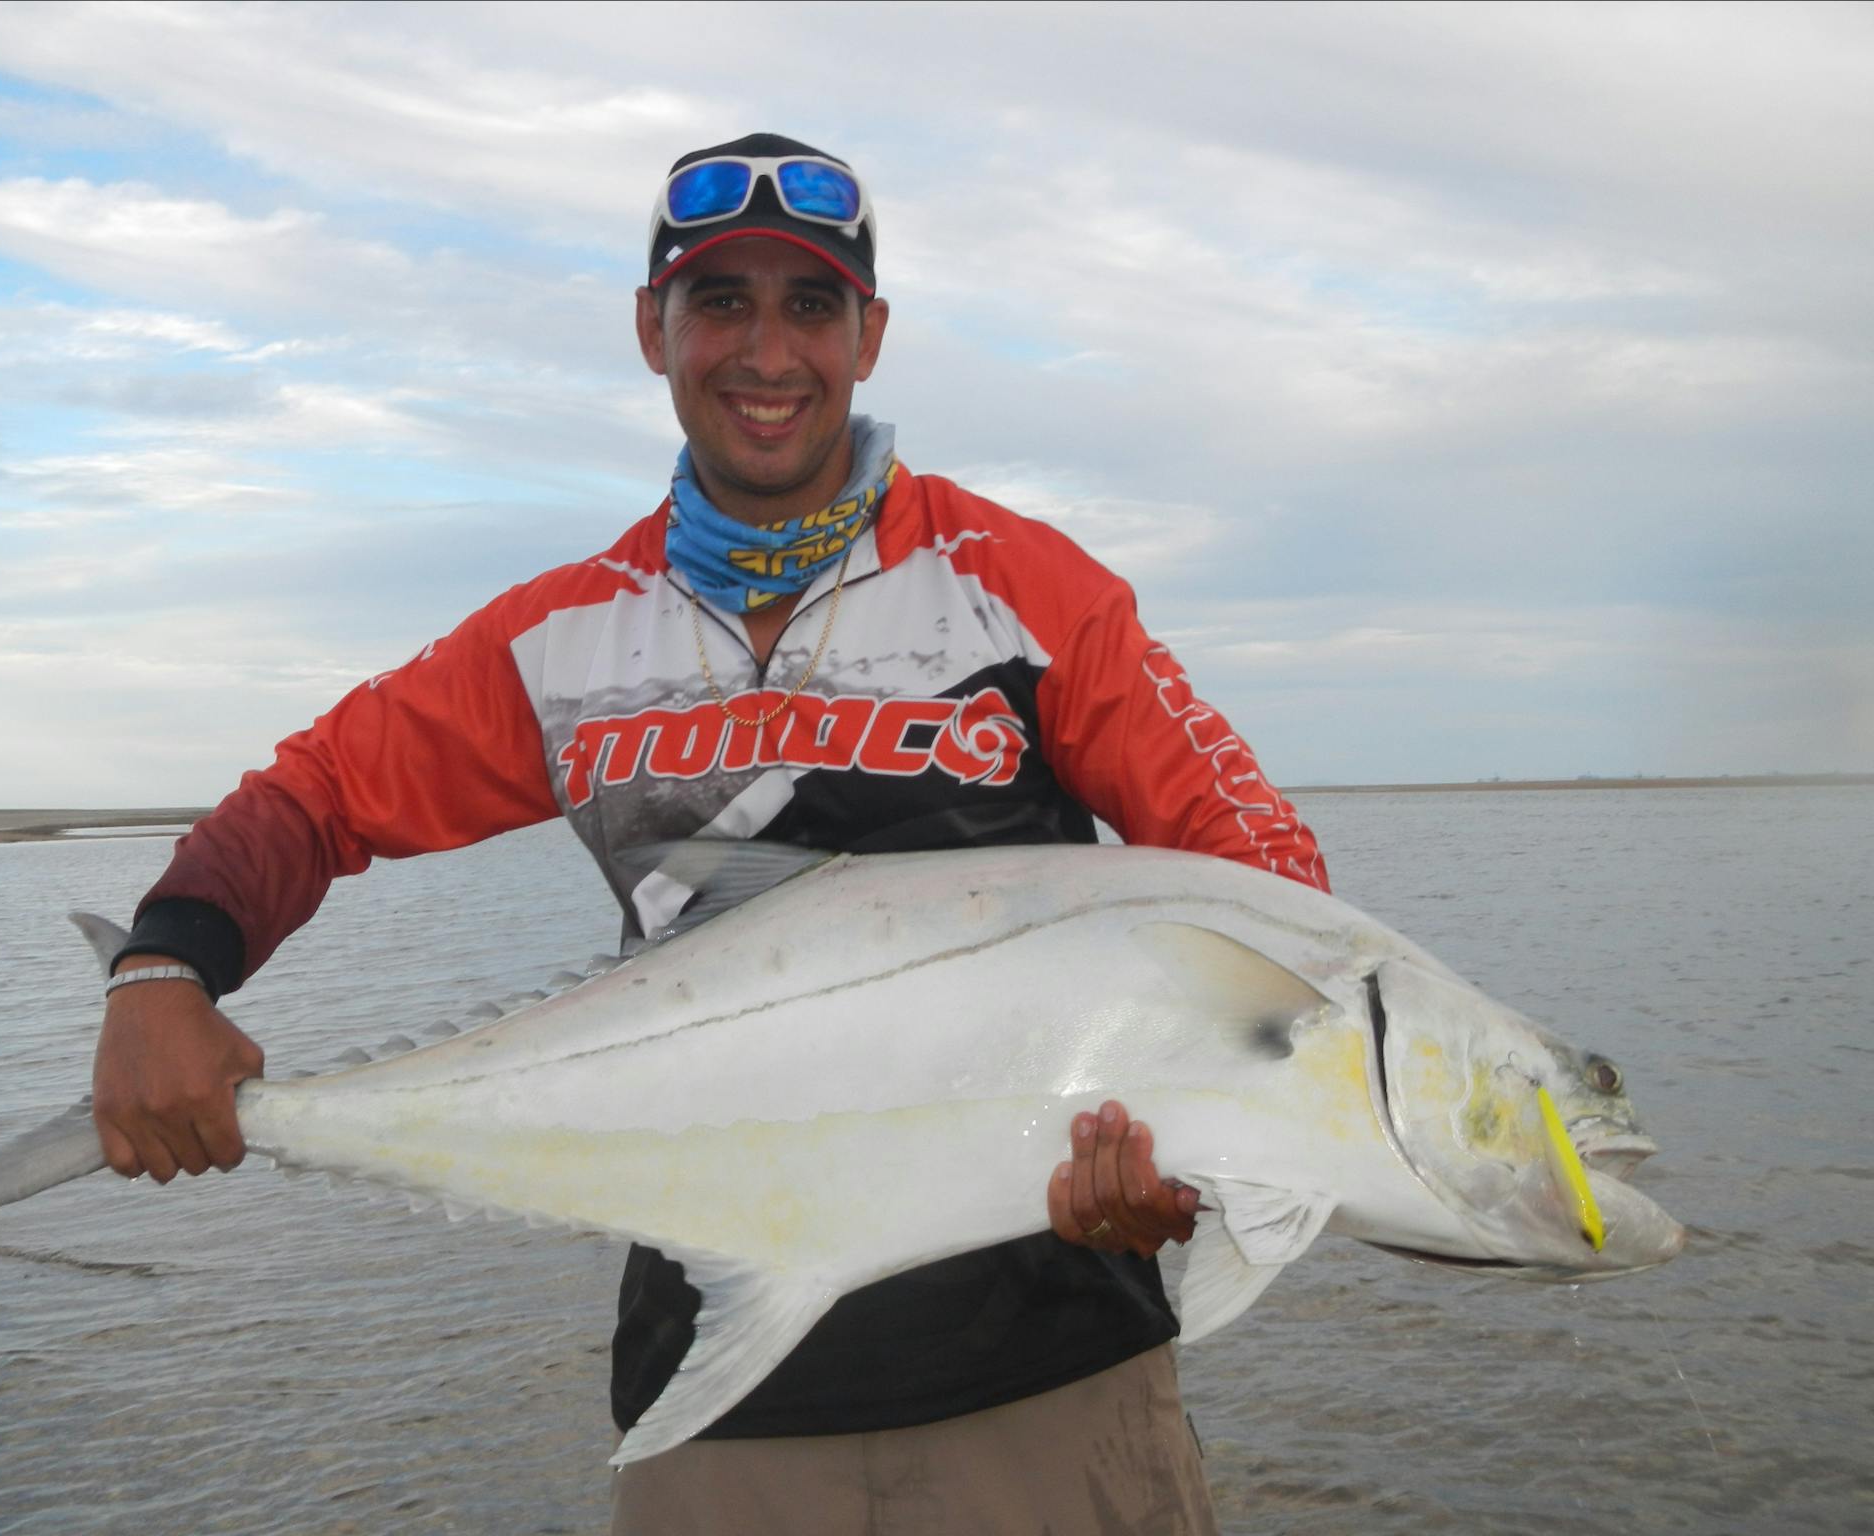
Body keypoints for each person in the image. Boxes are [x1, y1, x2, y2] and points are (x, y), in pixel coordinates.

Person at [92, 132, 1329, 1534]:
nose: (767, 351)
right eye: (719, 302)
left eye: (810, 306)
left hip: (1047, 1385)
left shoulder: (1025, 591)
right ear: (651, 331)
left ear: (870, 335)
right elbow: (312, 798)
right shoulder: (565, 639)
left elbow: (1267, 882)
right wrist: (161, 970)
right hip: (719, 1405)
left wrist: (1214, 1139)